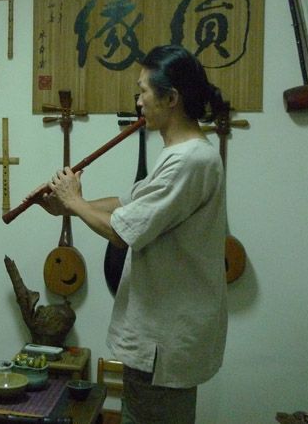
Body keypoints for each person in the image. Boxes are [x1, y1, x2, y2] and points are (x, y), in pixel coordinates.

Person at [29, 45, 228, 423]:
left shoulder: (190, 160)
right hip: (160, 334)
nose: (138, 102)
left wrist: (75, 201)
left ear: (171, 98)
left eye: (143, 92)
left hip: (164, 340)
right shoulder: (180, 155)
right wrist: (69, 205)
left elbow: (123, 231)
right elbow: (128, 204)